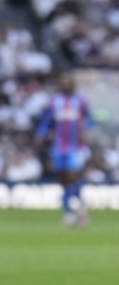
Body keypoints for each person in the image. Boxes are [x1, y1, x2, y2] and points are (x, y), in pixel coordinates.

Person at [35, 74, 93, 227]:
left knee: (72, 176)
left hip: (76, 148)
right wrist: (41, 134)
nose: (66, 86)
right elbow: (47, 121)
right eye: (63, 84)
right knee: (64, 182)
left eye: (68, 84)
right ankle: (78, 208)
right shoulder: (55, 102)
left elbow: (90, 119)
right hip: (58, 147)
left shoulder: (80, 101)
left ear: (73, 86)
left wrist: (85, 130)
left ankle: (70, 215)